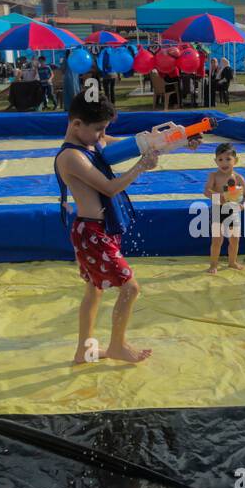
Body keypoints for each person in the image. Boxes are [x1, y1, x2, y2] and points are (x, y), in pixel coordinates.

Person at [53, 93, 160, 365]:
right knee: (130, 288)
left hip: (101, 230)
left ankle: (84, 351)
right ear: (76, 124)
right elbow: (109, 188)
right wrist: (141, 167)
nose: (103, 135)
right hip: (92, 233)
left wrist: (169, 140)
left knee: (94, 289)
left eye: (105, 129)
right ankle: (117, 346)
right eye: (99, 129)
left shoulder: (92, 141)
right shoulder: (71, 157)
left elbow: (130, 144)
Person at [203, 142, 245, 273]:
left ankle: (232, 262)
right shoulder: (214, 176)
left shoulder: (238, 178)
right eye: (220, 159)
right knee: (217, 240)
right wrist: (218, 196)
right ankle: (213, 265)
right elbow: (206, 191)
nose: (224, 163)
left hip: (233, 211)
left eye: (228, 159)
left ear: (236, 160)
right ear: (215, 161)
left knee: (235, 240)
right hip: (218, 210)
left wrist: (243, 205)